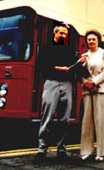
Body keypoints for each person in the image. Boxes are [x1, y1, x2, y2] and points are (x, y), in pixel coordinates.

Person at [36, 21, 77, 162]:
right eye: (61, 33)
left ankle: (61, 150)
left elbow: (73, 68)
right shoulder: (46, 48)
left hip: (67, 84)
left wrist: (77, 65)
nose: (63, 36)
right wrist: (60, 69)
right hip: (51, 83)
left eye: (65, 34)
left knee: (65, 119)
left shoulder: (70, 49)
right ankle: (42, 150)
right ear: (55, 33)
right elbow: (42, 67)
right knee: (47, 117)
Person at [78, 29, 104, 162]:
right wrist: (86, 83)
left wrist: (94, 82)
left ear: (98, 40)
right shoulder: (84, 55)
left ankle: (101, 152)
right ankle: (86, 151)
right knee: (87, 121)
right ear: (86, 41)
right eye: (89, 39)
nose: (91, 41)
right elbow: (79, 72)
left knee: (101, 121)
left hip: (101, 90)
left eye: (93, 39)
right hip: (87, 90)